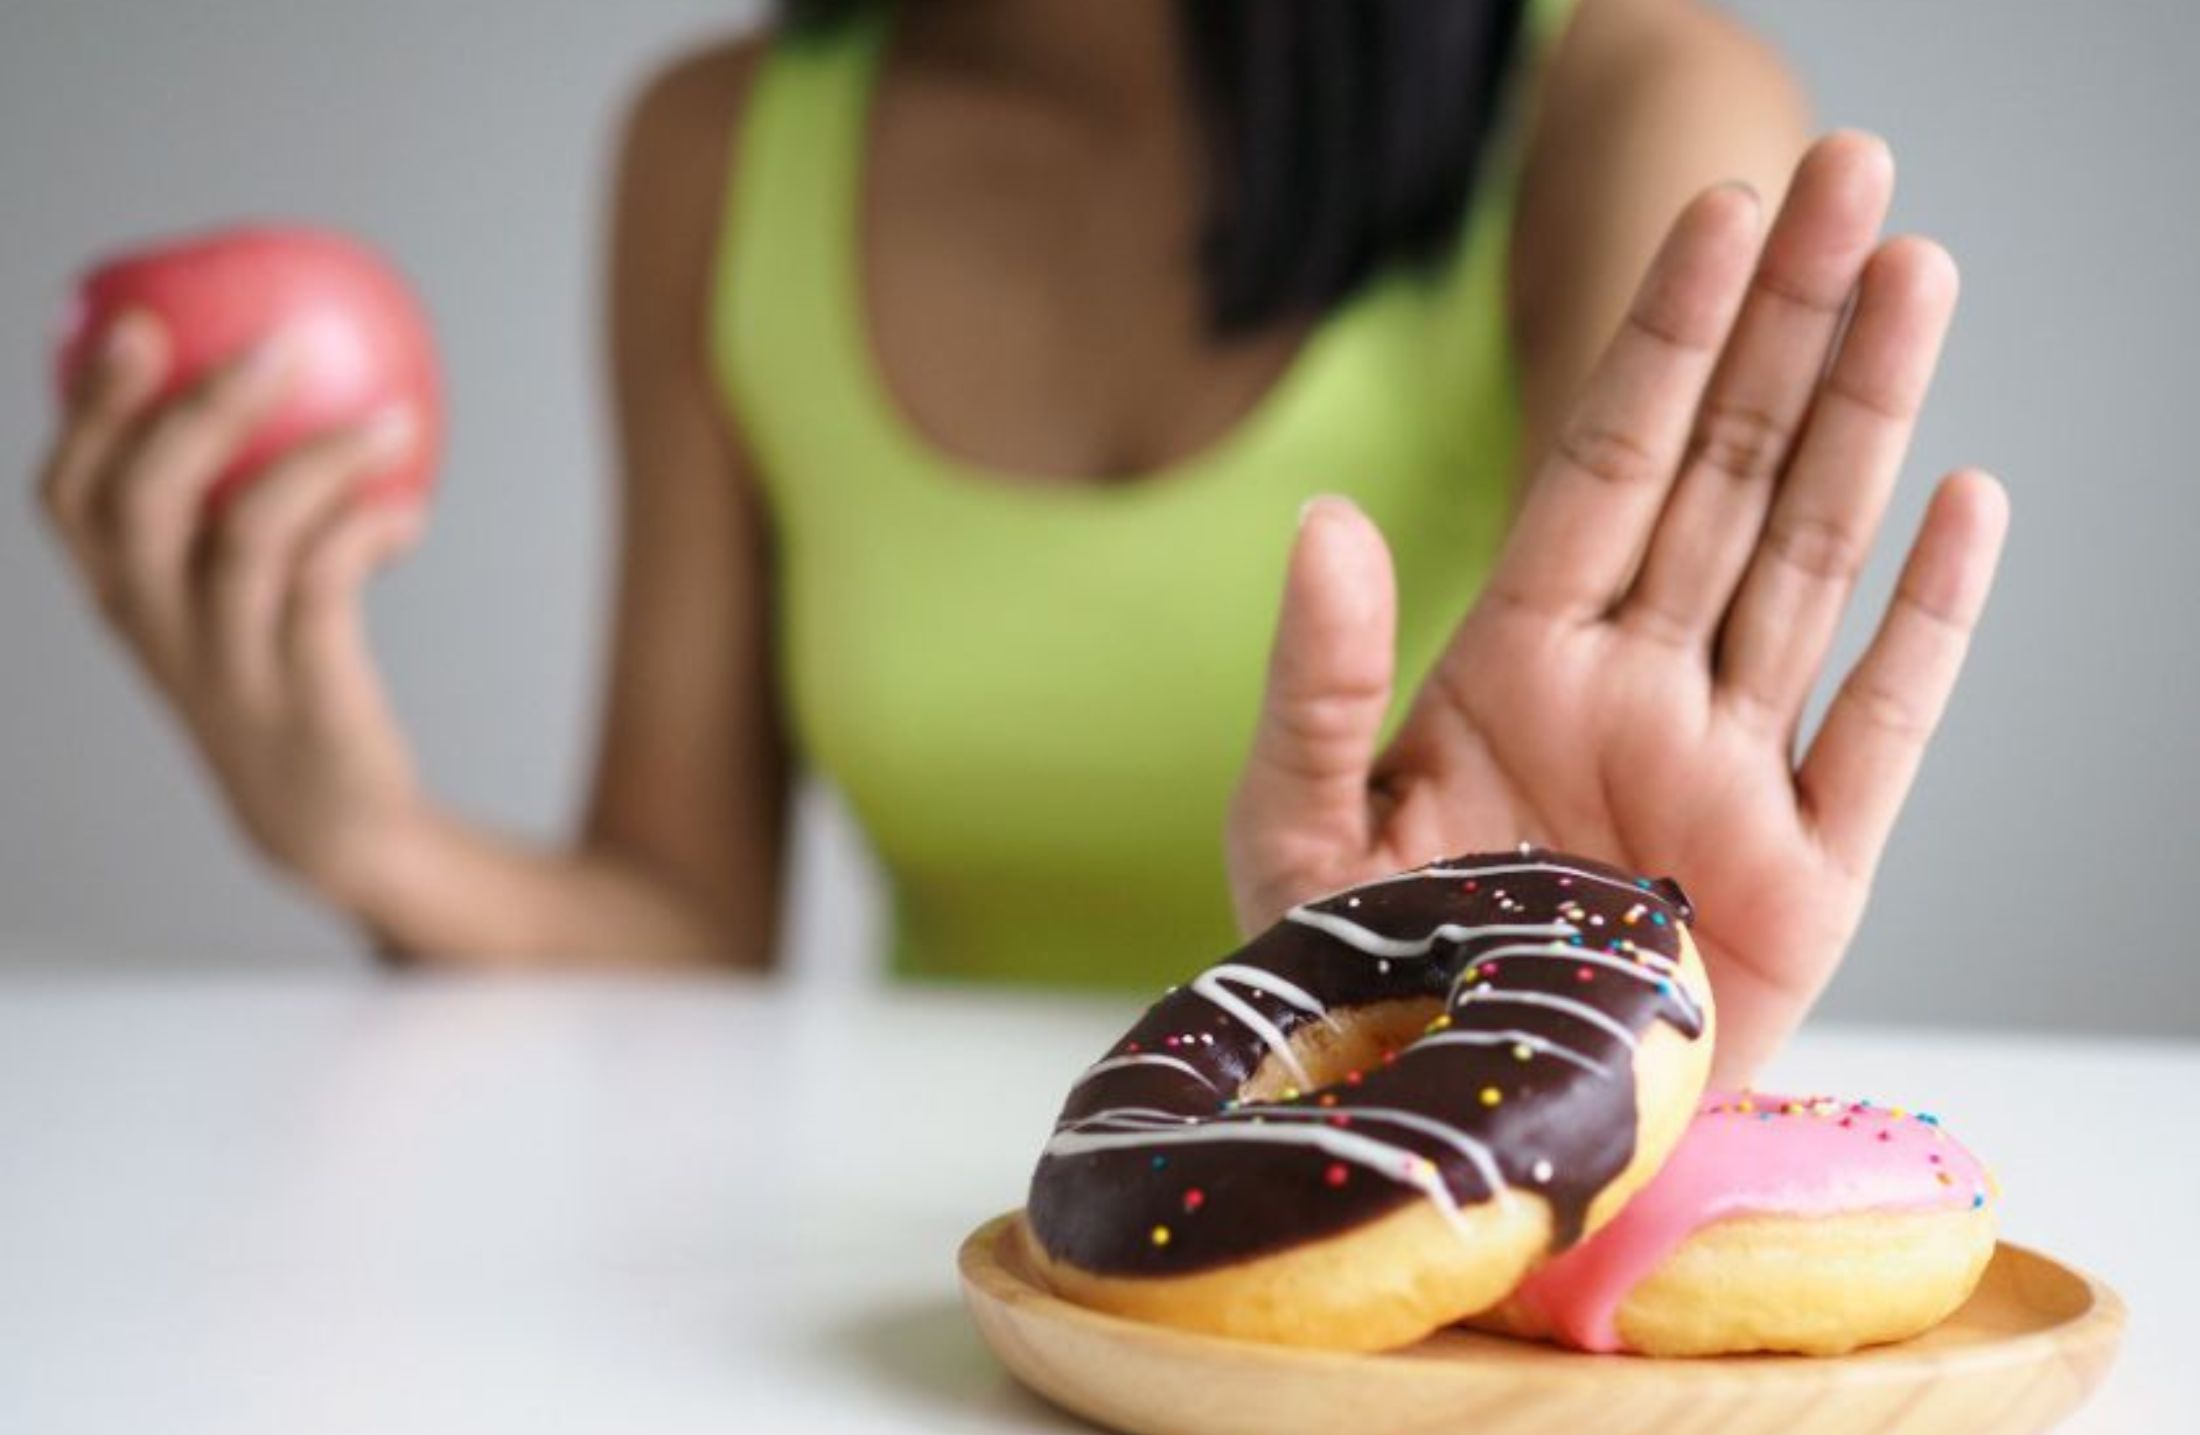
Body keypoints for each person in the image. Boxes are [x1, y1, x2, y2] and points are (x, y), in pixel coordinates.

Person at [35, 0, 2005, 1083]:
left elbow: (1638, 895)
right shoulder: (718, 146)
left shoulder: (1625, 104)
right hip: (902, 1296)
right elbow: (682, 918)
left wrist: (1530, 991)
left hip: (1428, 1260)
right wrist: (357, 831)